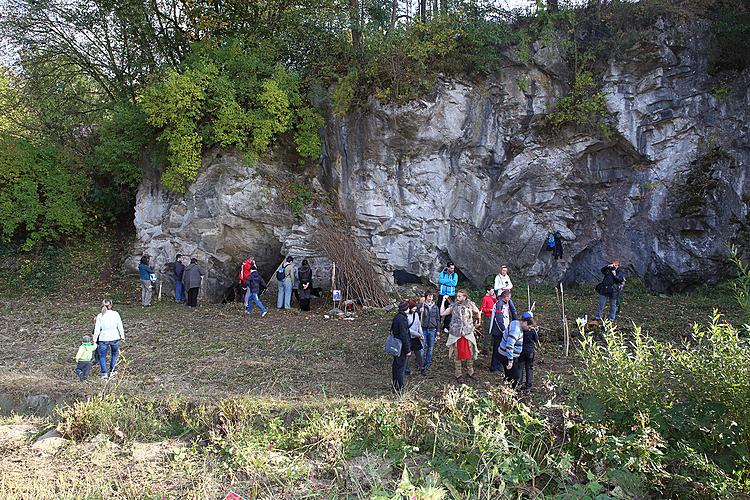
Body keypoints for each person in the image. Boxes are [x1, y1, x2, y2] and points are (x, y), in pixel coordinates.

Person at [441, 290, 480, 384]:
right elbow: (442, 313)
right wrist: (443, 301)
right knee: (457, 354)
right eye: (457, 296)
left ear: (464, 297)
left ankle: (470, 372)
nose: (457, 298)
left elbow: (477, 311)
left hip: (468, 333)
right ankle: (458, 374)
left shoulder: (470, 304)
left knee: (470, 353)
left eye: (459, 296)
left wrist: (478, 321)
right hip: (456, 334)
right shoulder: (454, 306)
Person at [93, 299, 125, 379]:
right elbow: (120, 326)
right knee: (114, 354)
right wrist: (122, 336)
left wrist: (94, 339)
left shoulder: (100, 316)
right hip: (114, 337)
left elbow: (97, 329)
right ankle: (112, 371)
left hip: (103, 338)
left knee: (102, 356)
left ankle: (104, 374)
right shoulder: (115, 314)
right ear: (111, 305)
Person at [499, 315, 531, 389]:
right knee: (516, 377)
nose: (529, 330)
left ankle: (505, 391)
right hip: (507, 355)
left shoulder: (515, 322)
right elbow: (509, 345)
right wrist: (510, 361)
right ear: (525, 323)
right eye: (529, 327)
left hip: (505, 353)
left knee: (508, 375)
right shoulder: (515, 330)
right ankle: (511, 394)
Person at [489, 290, 517, 372]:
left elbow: (513, 311)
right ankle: (494, 367)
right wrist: (503, 330)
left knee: (502, 348)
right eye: (509, 298)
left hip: (504, 330)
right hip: (498, 331)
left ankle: (499, 365)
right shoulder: (499, 304)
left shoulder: (506, 303)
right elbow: (498, 319)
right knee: (497, 349)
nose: (510, 299)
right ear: (506, 297)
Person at [417, 291, 440, 375]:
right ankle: (421, 364)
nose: (431, 298)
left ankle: (428, 364)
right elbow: (416, 316)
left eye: (432, 296)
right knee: (421, 347)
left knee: (430, 348)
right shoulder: (421, 306)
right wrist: (420, 311)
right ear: (426, 297)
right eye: (429, 296)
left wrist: (438, 331)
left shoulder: (435, 307)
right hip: (423, 329)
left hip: (432, 329)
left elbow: (437, 319)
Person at [390, 301, 412, 392]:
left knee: (396, 366)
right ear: (406, 309)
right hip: (401, 346)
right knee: (400, 367)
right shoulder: (403, 319)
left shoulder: (397, 317)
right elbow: (404, 335)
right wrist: (408, 349)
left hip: (396, 344)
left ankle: (395, 384)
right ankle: (399, 387)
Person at [518, 312, 539, 390]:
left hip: (521, 350)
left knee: (520, 367)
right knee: (529, 367)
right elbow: (536, 339)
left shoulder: (521, 330)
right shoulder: (532, 330)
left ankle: (519, 383)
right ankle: (528, 385)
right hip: (530, 351)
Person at [437, 262, 458, 333]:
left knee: (449, 311)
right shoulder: (442, 273)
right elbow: (440, 281)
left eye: (453, 268)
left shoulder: (455, 275)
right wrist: (449, 281)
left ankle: (446, 326)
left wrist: (445, 282)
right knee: (439, 309)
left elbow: (454, 283)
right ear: (448, 267)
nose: (452, 269)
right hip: (442, 294)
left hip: (451, 295)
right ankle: (437, 326)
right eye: (451, 268)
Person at [405, 298, 424, 376]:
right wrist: (418, 334)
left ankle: (421, 367)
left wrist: (421, 334)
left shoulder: (416, 314)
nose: (415, 308)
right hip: (409, 338)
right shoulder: (405, 316)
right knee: (407, 354)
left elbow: (419, 324)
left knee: (418, 353)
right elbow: (408, 329)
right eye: (413, 307)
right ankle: (406, 369)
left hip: (415, 337)